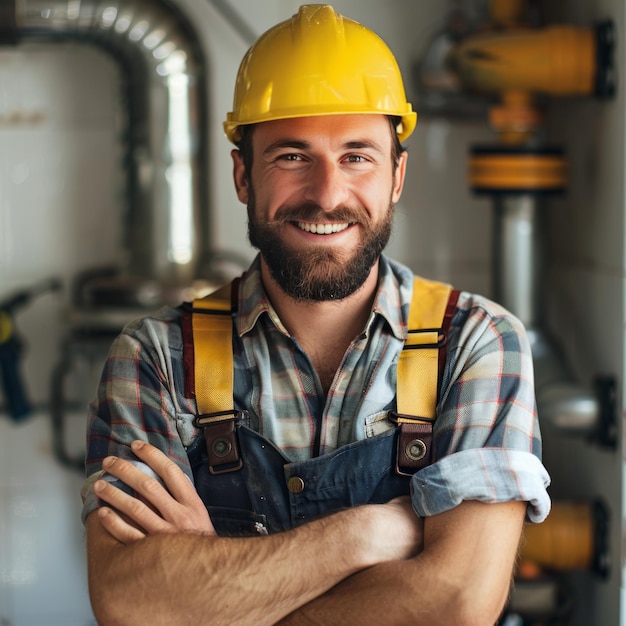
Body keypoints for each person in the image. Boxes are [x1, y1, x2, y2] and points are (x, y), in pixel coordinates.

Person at [82, 4, 550, 625]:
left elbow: (457, 603)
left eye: (357, 156)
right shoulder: (157, 357)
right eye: (292, 157)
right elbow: (130, 604)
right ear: (243, 174)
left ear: (397, 176)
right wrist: (362, 535)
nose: (328, 194)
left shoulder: (476, 342)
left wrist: (216, 591)